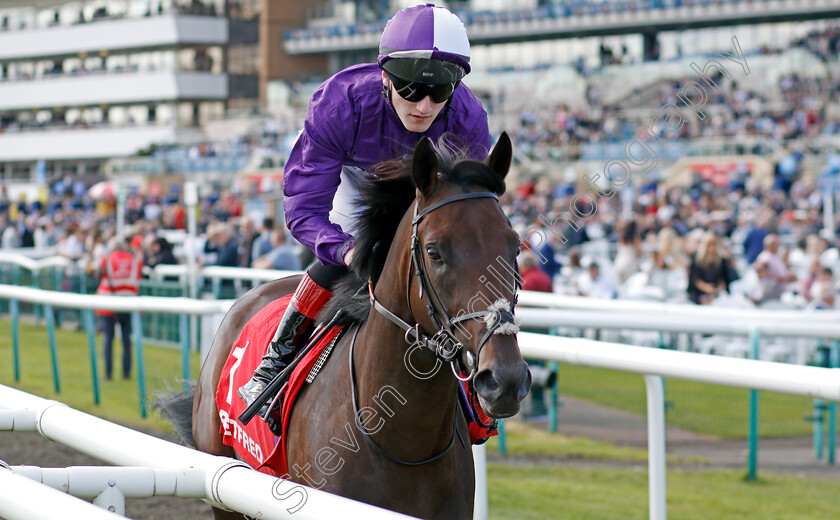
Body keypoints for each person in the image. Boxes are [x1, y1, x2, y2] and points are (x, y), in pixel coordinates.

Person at [238, 4, 491, 414]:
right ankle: (276, 360)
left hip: (426, 187)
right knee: (350, 251)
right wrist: (346, 251)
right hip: (357, 183)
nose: (424, 106)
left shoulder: (468, 119)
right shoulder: (339, 103)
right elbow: (305, 207)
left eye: (439, 91)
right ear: (386, 77)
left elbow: (472, 213)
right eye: (409, 88)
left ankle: (475, 376)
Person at [95, 237, 142, 380]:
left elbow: (98, 275)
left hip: (108, 303)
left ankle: (108, 374)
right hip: (127, 303)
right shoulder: (133, 259)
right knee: (126, 341)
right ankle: (126, 373)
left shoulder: (107, 259)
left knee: (108, 339)